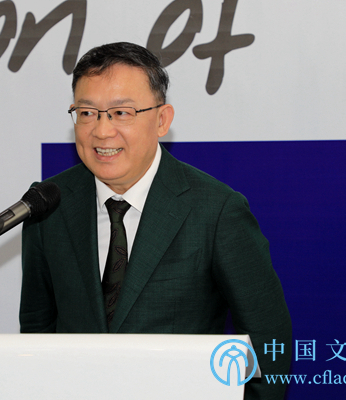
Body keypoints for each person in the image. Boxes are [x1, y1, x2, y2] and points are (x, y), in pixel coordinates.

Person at [20, 42, 292, 399]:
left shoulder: (216, 210)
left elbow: (268, 339)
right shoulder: (48, 203)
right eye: (87, 113)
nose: (101, 131)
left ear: (162, 120)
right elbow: (36, 329)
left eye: (121, 113)